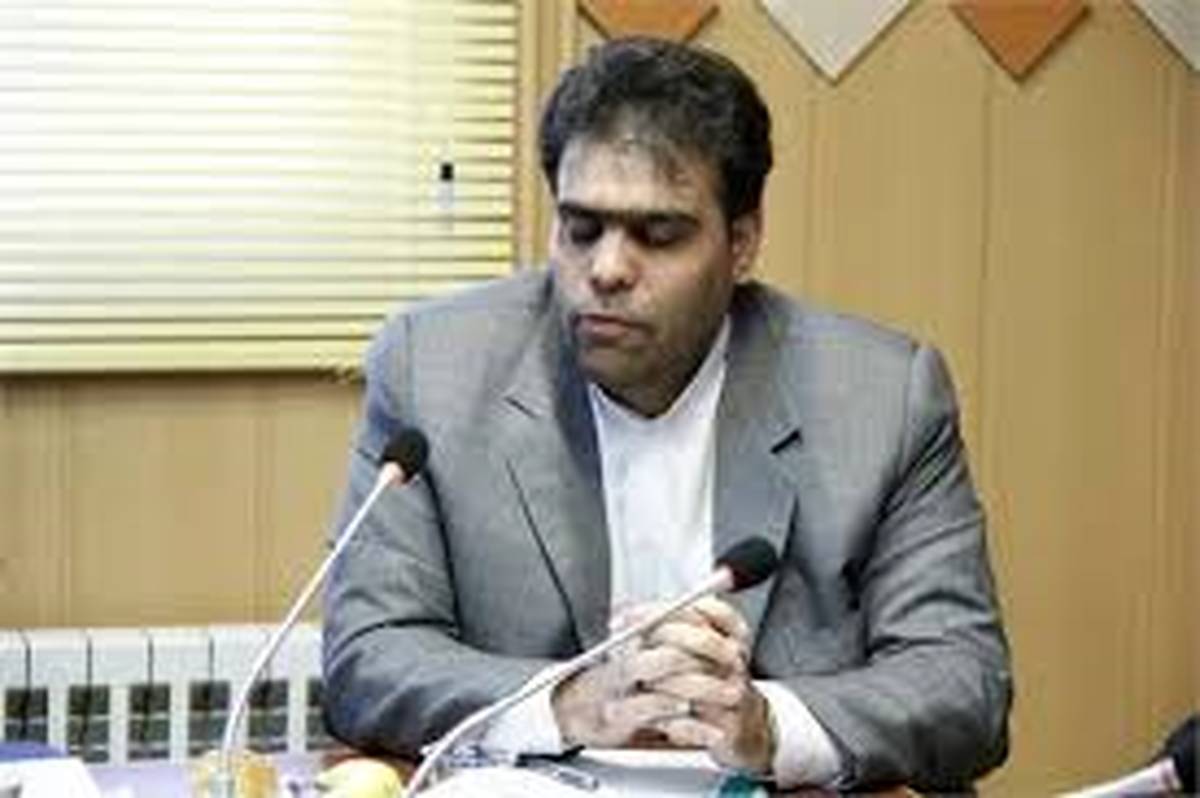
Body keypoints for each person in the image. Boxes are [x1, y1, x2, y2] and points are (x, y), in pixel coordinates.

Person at [322, 36, 1011, 791]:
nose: (607, 269)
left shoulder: (882, 397)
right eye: (581, 228)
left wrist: (768, 725)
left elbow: (963, 684)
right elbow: (369, 656)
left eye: (658, 235)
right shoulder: (434, 368)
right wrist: (567, 702)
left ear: (741, 243)